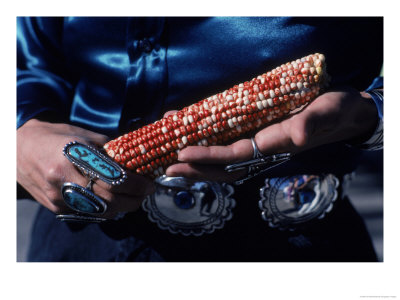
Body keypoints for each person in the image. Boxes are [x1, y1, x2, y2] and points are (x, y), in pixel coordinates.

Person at [17, 17, 383, 262]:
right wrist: (21, 132)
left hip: (296, 242)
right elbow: (25, 57)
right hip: (86, 239)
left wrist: (374, 112)